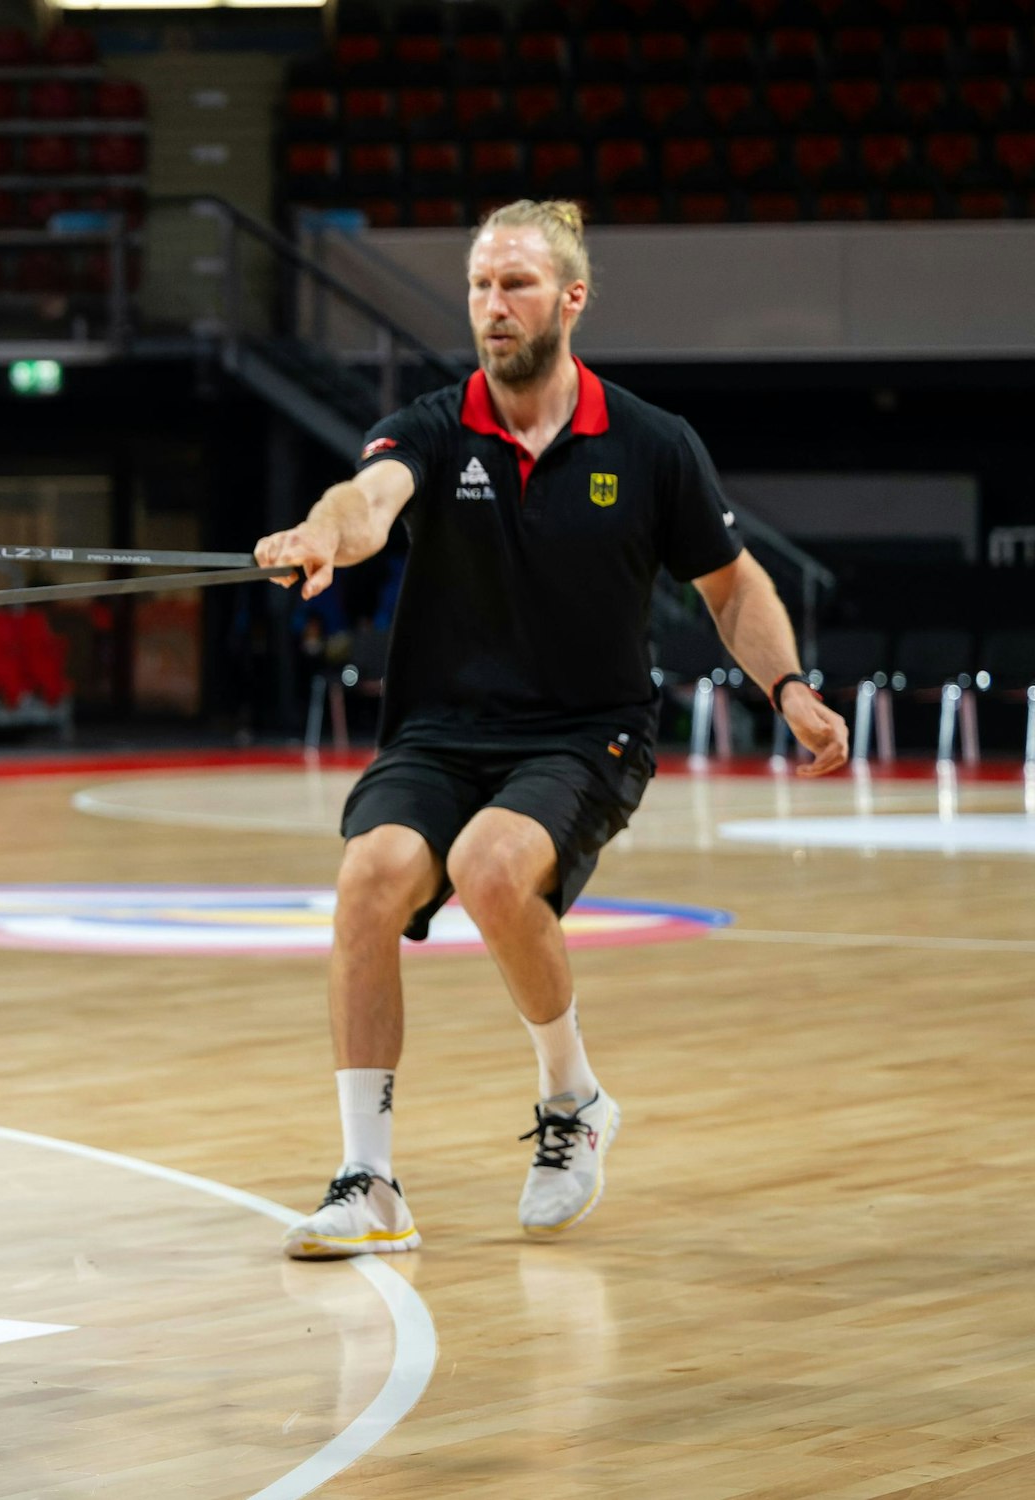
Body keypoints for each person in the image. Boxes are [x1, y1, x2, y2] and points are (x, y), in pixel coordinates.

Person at [254, 200, 849, 1261]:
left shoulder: (651, 445)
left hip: (587, 732)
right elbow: (369, 495)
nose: (492, 304)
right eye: (481, 284)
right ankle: (370, 1180)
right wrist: (322, 535)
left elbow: (730, 584)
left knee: (490, 866)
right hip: (440, 726)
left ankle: (567, 1099)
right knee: (368, 879)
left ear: (569, 299)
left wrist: (788, 687)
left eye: (515, 284)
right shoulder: (434, 426)